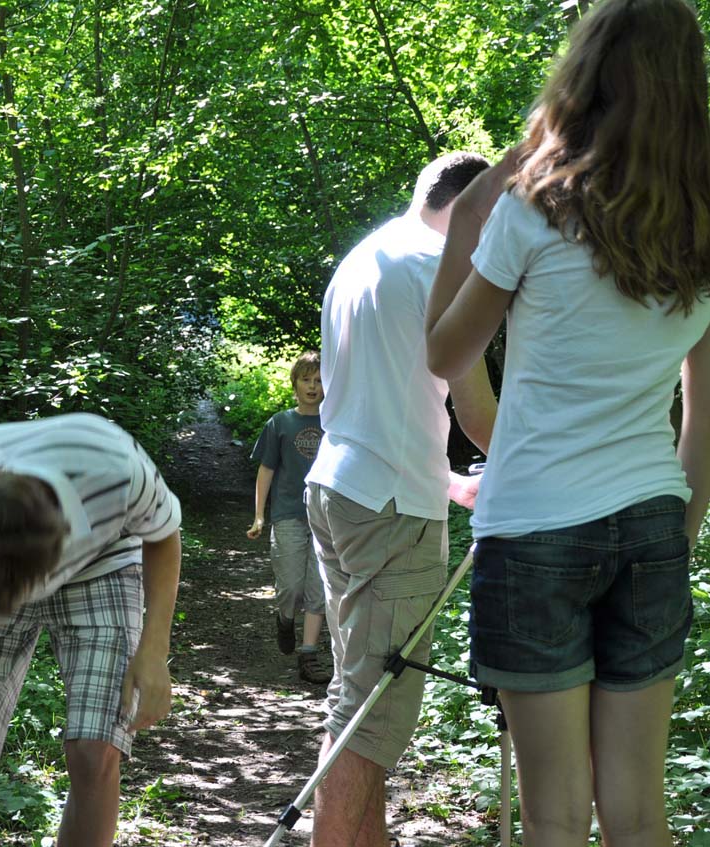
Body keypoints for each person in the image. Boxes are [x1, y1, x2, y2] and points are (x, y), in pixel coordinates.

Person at [424, 1, 710, 844]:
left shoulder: (534, 211)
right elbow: (705, 423)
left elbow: (444, 351)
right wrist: (674, 536)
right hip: (650, 522)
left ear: (586, 78)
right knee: (639, 813)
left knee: (556, 816)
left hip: (534, 525)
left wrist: (472, 214)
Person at [305, 151, 499, 847]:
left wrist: (446, 479)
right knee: (371, 716)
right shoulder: (438, 269)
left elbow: (375, 399)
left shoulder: (365, 258)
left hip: (338, 488)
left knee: (359, 697)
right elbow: (476, 412)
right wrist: (543, 466)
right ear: (474, 207)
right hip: (390, 511)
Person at [0, 412, 182, 847]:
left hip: (105, 562)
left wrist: (153, 648)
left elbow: (164, 534)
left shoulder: (114, 466)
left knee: (94, 750)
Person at [246, 350, 332, 684]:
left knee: (319, 587)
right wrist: (259, 515)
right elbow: (266, 469)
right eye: (306, 380)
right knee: (291, 587)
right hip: (288, 515)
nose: (312, 386)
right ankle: (284, 618)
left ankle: (308, 655)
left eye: (319, 380)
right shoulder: (280, 423)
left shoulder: (335, 423)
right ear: (294, 384)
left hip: (326, 516)